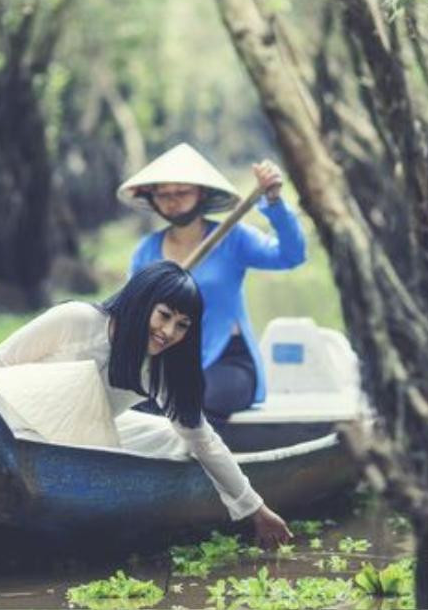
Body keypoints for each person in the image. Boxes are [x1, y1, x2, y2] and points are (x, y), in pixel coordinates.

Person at [0, 261, 293, 547]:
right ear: (143, 303)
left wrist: (256, 509)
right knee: (37, 446)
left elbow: (204, 442)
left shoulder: (160, 371)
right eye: (164, 315)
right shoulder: (77, 319)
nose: (169, 332)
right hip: (13, 429)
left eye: (183, 325)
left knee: (178, 440)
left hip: (81, 441)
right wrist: (60, 398)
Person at [118, 144, 305, 421]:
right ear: (152, 198)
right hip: (168, 363)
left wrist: (275, 203)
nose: (172, 200)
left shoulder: (233, 238)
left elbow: (291, 255)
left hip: (227, 361)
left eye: (181, 192)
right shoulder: (145, 252)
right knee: (131, 404)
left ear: (201, 194)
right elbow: (129, 313)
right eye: (163, 194)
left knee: (193, 399)